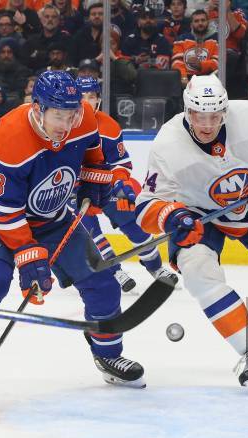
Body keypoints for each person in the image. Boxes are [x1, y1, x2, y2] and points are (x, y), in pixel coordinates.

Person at [0, 71, 147, 405]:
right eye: (59, 115)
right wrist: (30, 259)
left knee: (103, 282)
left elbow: (92, 155)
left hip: (52, 215)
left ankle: (108, 356)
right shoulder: (11, 135)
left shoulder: (82, 116)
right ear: (38, 107)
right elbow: (6, 211)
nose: (68, 122)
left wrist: (94, 181)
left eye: (72, 113)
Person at [135, 74, 248, 392]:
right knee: (198, 270)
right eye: (199, 116)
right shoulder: (168, 144)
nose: (206, 124)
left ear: (225, 111)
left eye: (214, 116)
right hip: (197, 216)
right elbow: (145, 209)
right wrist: (172, 216)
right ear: (187, 111)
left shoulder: (247, 115)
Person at [75, 76, 179, 291]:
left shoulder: (109, 126)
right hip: (76, 190)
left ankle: (155, 268)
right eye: (82, 97)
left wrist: (121, 184)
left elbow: (121, 162)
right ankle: (115, 272)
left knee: (134, 225)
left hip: (106, 186)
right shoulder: (62, 126)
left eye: (91, 97)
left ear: (99, 100)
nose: (86, 102)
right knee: (91, 234)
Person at [172, 9, 219, 86]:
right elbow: (177, 62)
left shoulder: (216, 39)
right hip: (186, 78)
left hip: (209, 79)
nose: (200, 23)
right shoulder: (182, 39)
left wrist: (201, 65)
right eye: (196, 21)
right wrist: (183, 78)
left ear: (208, 22)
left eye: (203, 20)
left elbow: (218, 63)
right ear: (191, 25)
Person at [21, 3, 71, 72]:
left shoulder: (66, 40)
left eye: (54, 17)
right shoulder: (31, 42)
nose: (50, 19)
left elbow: (69, 64)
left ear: (58, 20)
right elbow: (23, 65)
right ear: (41, 20)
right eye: (47, 17)